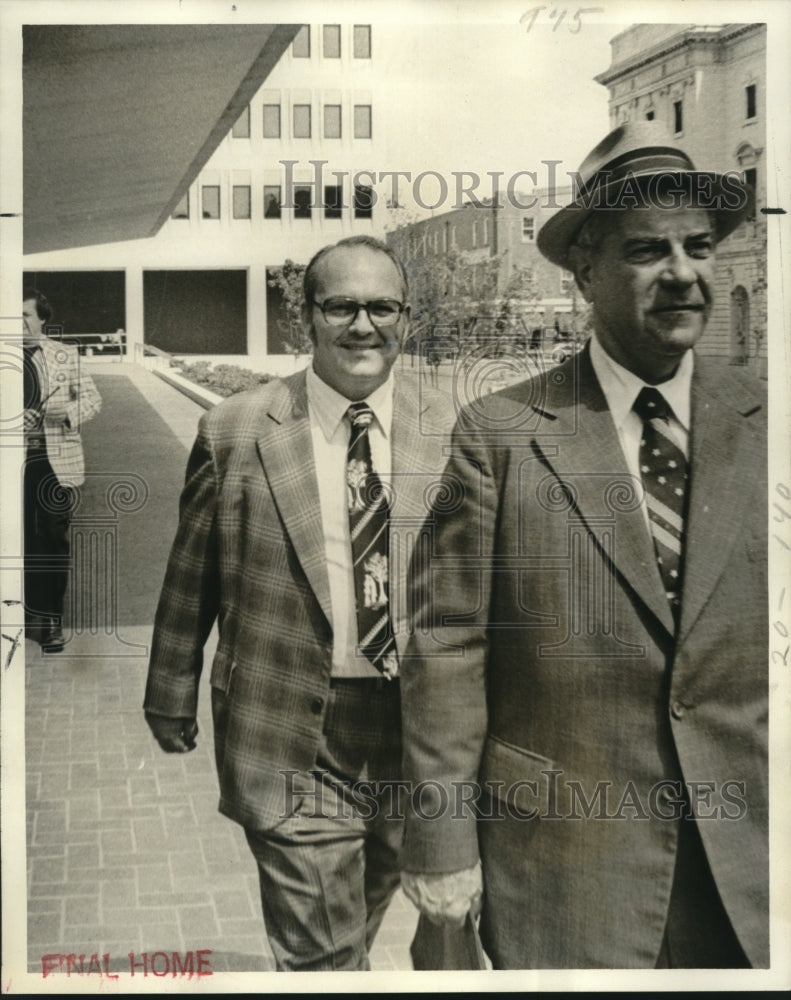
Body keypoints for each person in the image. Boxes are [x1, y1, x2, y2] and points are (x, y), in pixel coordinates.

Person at [399, 121, 768, 969]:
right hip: (568, 870)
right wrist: (444, 845)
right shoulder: (500, 433)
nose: (682, 274)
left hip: (751, 866)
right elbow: (444, 650)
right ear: (585, 272)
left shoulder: (767, 421)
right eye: (646, 251)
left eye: (698, 248)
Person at [143, 236, 456, 971]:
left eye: (381, 307)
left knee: (364, 911)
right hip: (289, 733)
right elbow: (192, 576)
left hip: (416, 736)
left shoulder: (454, 431)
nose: (362, 325)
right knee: (321, 949)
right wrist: (170, 695)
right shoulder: (237, 429)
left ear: (404, 319)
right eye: (340, 306)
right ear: (306, 317)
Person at [22, 288, 102, 652]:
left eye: (25, 315)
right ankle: (23, 616)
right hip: (15, 466)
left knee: (53, 544)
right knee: (19, 542)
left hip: (57, 465)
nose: (19, 323)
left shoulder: (64, 355)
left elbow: (93, 400)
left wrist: (67, 414)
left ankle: (51, 620)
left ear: (41, 319)